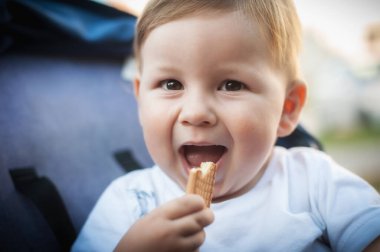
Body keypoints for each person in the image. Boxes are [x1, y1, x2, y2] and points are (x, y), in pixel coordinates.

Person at [72, 0, 380, 251]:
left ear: (287, 108)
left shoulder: (313, 181)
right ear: (140, 100)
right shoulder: (130, 202)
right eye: (170, 83)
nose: (195, 113)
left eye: (231, 85)